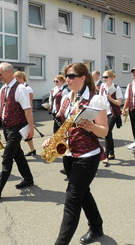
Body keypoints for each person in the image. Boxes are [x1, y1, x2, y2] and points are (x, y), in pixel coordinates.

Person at [43, 63, 108, 245]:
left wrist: (92, 127)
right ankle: (97, 227)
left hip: (88, 156)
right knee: (83, 192)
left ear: (83, 78)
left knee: (72, 199)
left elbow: (104, 131)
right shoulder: (66, 98)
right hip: (69, 154)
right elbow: (63, 125)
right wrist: (52, 139)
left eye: (71, 76)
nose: (68, 79)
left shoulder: (96, 100)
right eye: (67, 76)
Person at [0, 62, 34, 200]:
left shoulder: (20, 89)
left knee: (7, 157)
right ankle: (28, 179)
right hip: (7, 127)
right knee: (17, 154)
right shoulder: (3, 89)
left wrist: (31, 127)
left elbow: (27, 109)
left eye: (0, 73)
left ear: (9, 72)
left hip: (18, 127)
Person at [98, 70, 122, 162]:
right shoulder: (102, 87)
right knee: (109, 133)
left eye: (106, 77)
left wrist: (110, 98)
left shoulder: (116, 88)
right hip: (104, 112)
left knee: (106, 132)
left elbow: (119, 103)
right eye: (103, 77)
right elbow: (100, 99)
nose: (104, 79)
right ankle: (111, 152)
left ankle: (106, 155)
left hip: (113, 113)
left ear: (112, 78)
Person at [14, 71, 37, 156]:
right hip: (20, 114)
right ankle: (32, 150)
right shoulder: (18, 87)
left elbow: (30, 102)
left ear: (21, 78)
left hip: (26, 114)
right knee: (25, 133)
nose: (15, 80)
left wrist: (29, 114)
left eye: (16, 79)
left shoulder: (28, 88)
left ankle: (12, 152)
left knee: (22, 134)